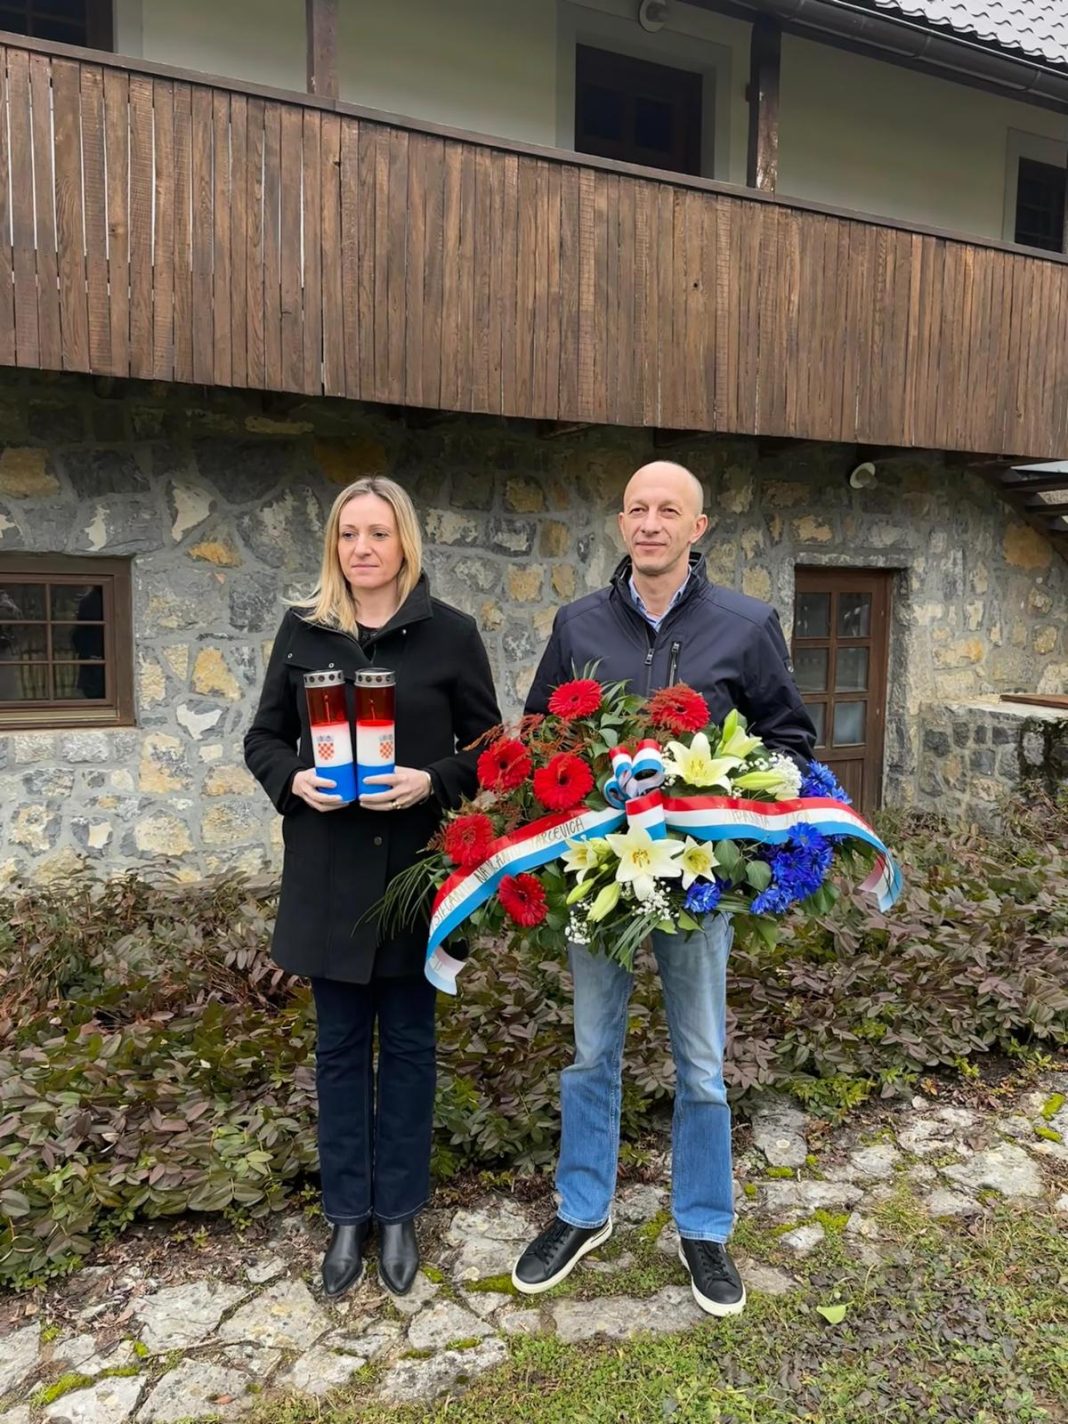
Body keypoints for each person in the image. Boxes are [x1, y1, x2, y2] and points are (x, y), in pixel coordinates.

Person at [511, 460, 816, 1317]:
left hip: (695, 889)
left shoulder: (746, 625)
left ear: (697, 527)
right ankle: (582, 1211)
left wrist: (725, 813)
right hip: (596, 881)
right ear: (621, 523)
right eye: (638, 509)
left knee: (702, 1063)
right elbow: (538, 736)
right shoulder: (578, 623)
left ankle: (704, 1227)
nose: (651, 523)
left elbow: (789, 741)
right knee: (591, 1051)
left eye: (668, 511)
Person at [245, 476, 500, 1300]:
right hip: (328, 877)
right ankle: (347, 1215)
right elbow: (262, 737)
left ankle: (399, 1213)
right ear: (334, 546)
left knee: (412, 1049)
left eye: (377, 534)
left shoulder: (450, 634)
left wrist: (433, 780)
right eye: (348, 534)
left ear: (404, 544)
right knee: (340, 1051)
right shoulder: (303, 630)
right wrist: (293, 780)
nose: (362, 548)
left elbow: (492, 748)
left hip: (416, 877)